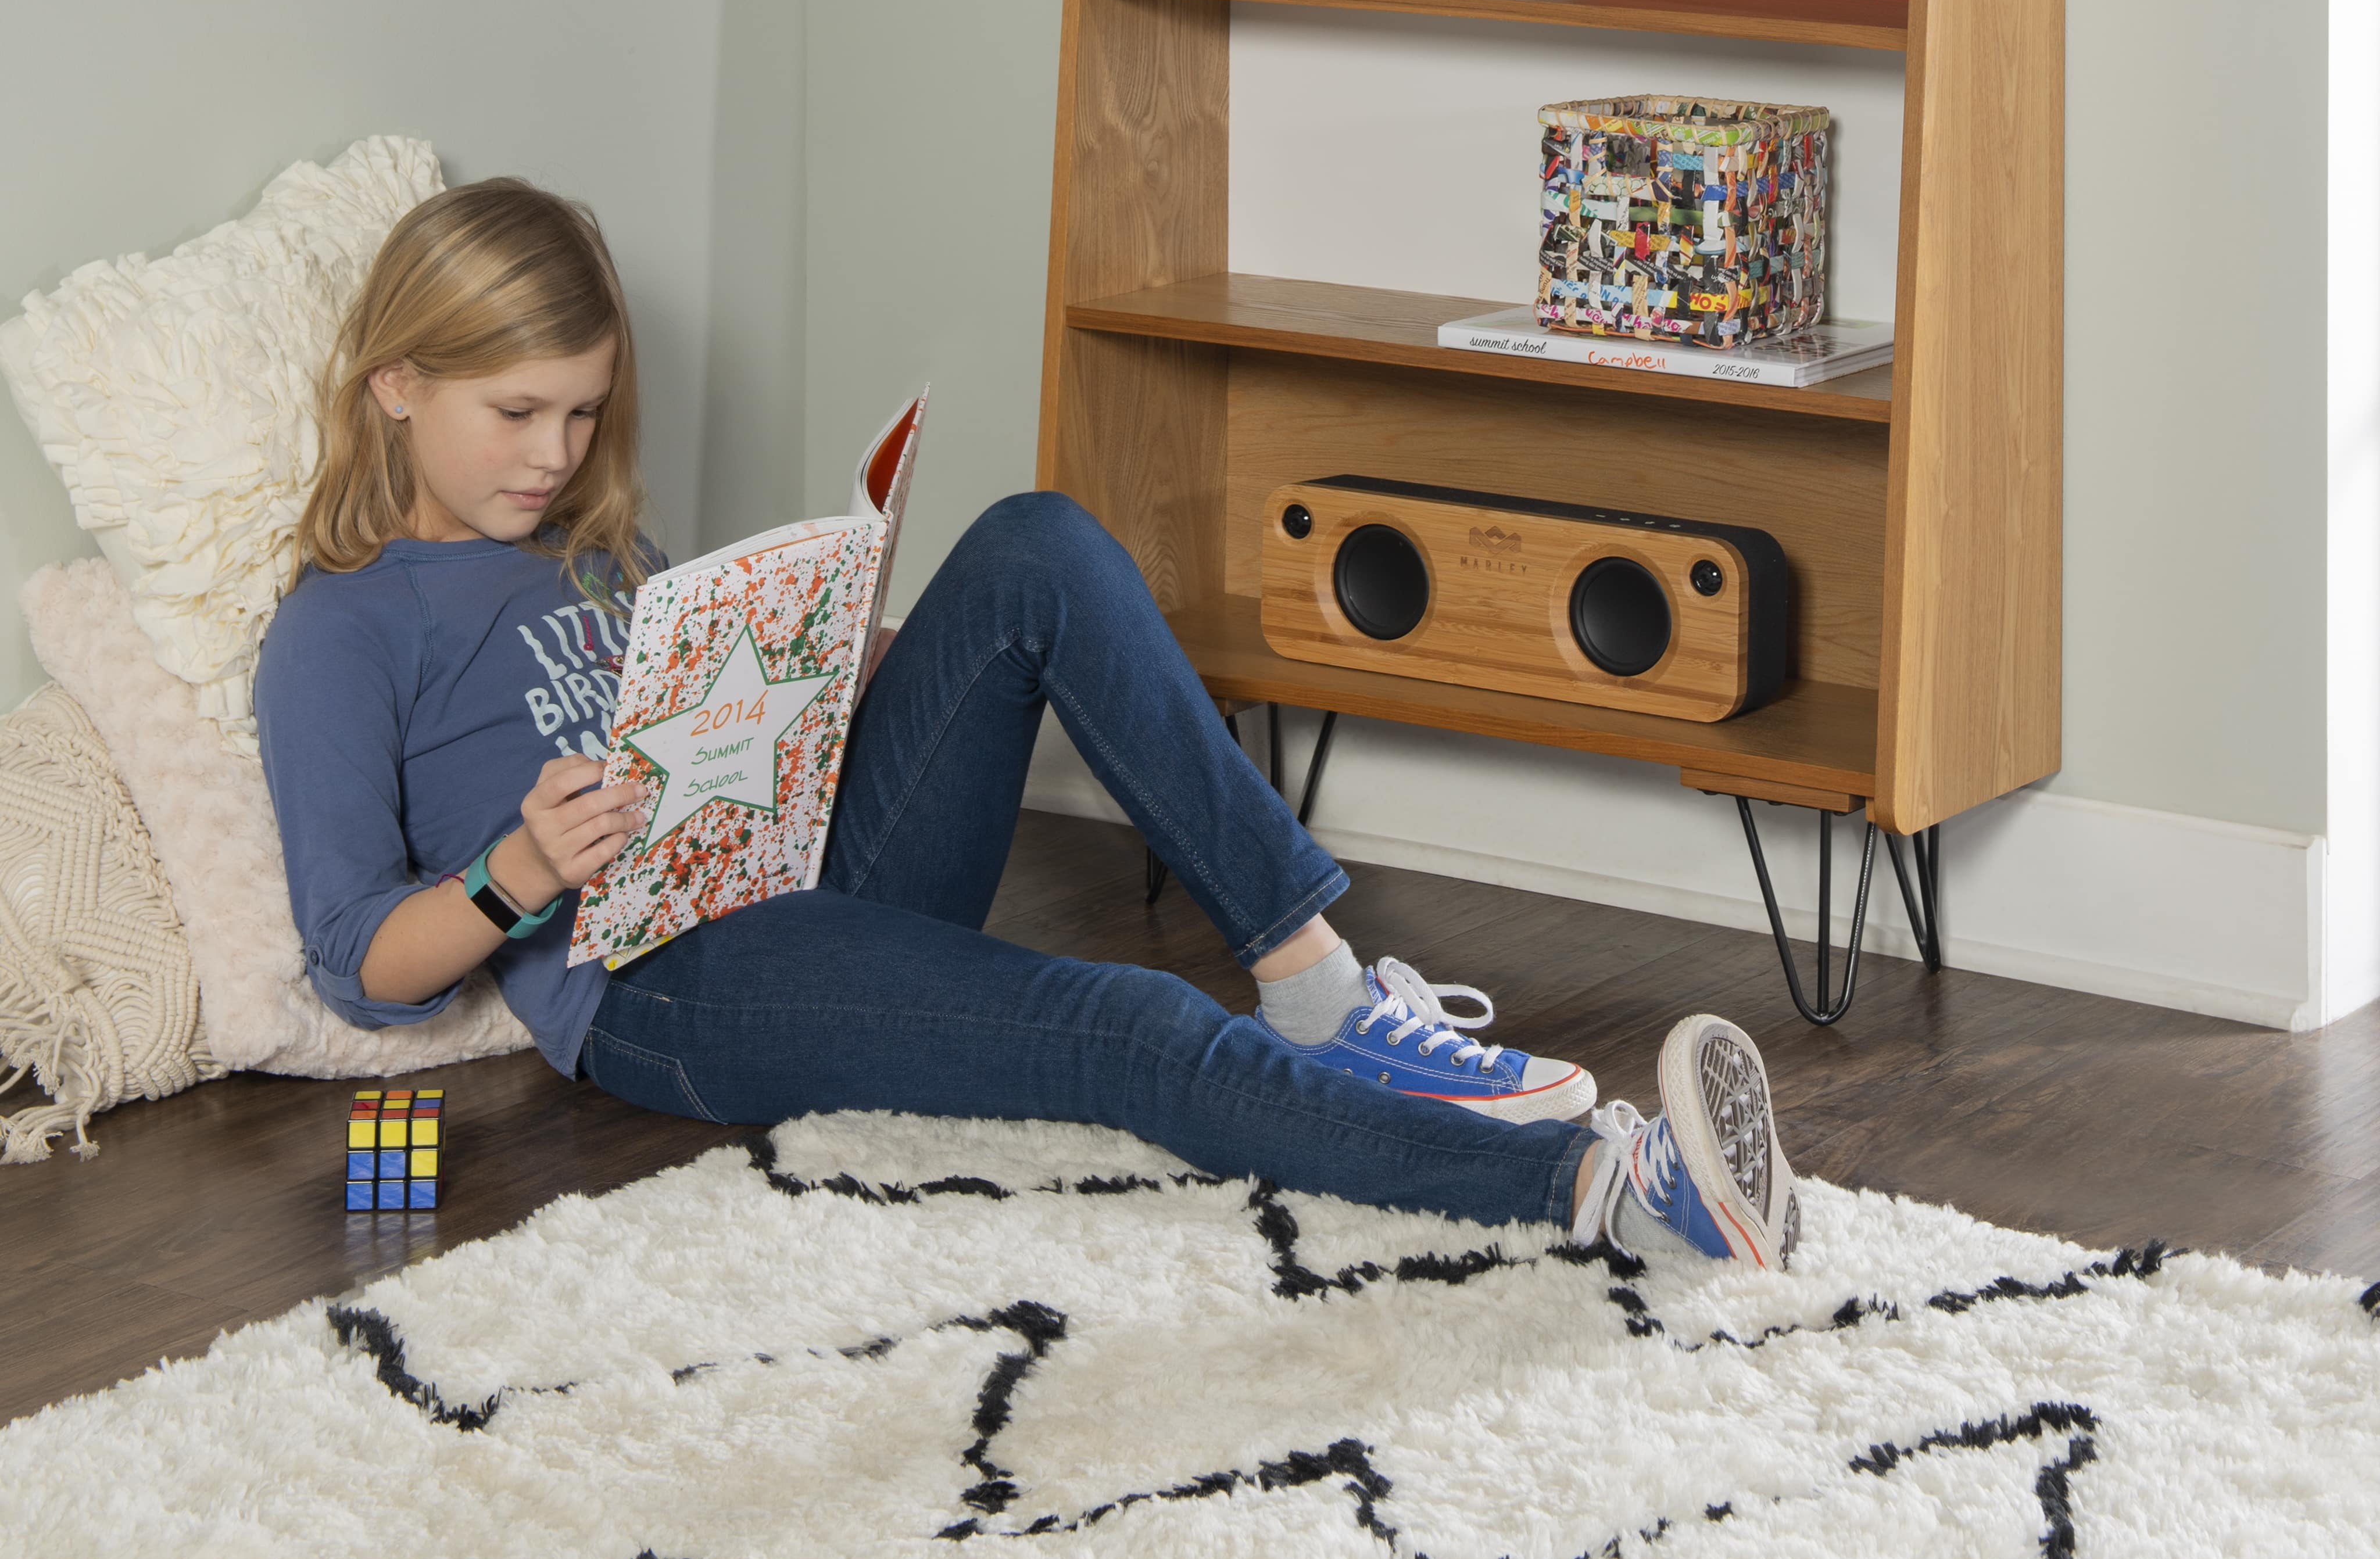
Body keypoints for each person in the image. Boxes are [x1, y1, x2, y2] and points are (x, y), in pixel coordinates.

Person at [255, 180, 1800, 1270]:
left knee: (1035, 545)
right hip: (668, 990)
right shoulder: (342, 630)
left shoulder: (597, 552)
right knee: (1126, 1025)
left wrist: (834, 669)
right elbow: (355, 967)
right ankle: (1608, 1189)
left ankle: (1318, 984)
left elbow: (721, 761)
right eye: (515, 415)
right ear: (396, 385)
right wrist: (520, 872)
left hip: (805, 878)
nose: (555, 452)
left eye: (583, 412)